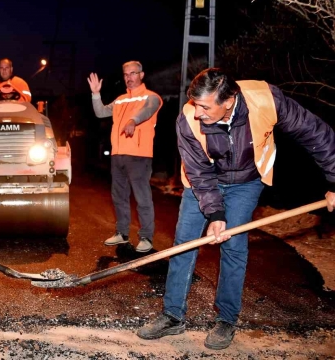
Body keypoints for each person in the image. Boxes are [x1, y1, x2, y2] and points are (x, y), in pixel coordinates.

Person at [137, 68, 335, 350]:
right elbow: (198, 171)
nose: (197, 113)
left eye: (205, 107)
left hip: (247, 181)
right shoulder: (187, 118)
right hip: (201, 181)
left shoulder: (265, 99)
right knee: (184, 242)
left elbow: (315, 133)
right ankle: (172, 315)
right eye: (196, 104)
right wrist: (215, 214)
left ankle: (226, 319)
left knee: (233, 244)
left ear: (228, 101)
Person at [87, 61, 163, 252]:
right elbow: (100, 112)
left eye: (133, 73)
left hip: (139, 155)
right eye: (126, 74)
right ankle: (122, 233)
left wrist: (132, 120)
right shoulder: (120, 100)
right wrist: (96, 94)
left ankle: (146, 237)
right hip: (118, 155)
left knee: (142, 197)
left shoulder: (152, 97)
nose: (129, 77)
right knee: (119, 196)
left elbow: (147, 111)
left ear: (141, 75)